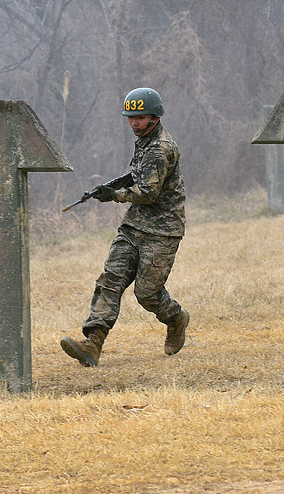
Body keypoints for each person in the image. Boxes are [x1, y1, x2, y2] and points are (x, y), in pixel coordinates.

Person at [60, 87, 190, 367]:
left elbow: (148, 192)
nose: (134, 123)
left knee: (147, 294)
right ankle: (92, 344)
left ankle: (176, 319)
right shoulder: (144, 141)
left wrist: (114, 196)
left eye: (140, 118)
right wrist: (112, 184)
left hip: (162, 230)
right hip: (135, 226)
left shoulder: (160, 148)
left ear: (155, 117)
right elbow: (137, 174)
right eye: (130, 117)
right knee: (111, 280)